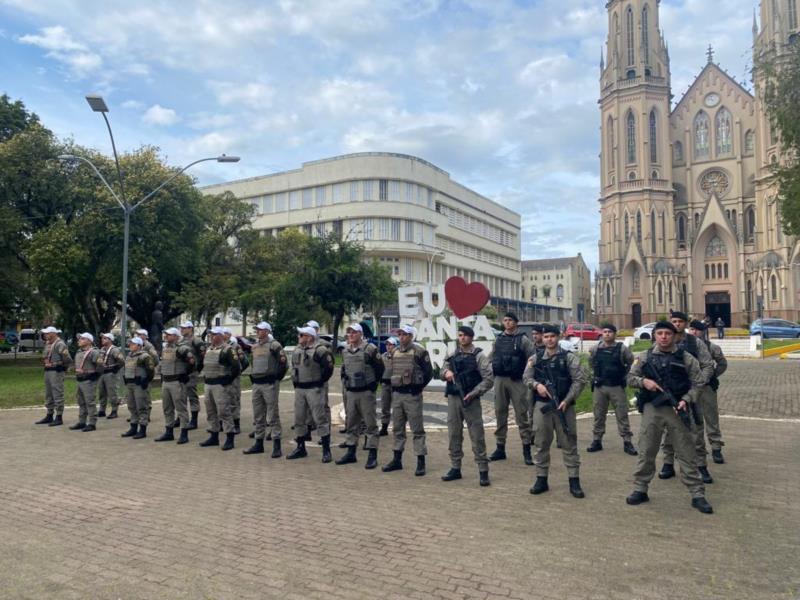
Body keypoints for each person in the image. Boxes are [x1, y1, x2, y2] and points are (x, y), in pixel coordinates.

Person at [625, 321, 713, 514]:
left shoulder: (686, 357)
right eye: (660, 333)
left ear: (674, 336)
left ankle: (697, 494)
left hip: (678, 409)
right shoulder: (644, 357)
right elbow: (630, 378)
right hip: (653, 410)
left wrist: (686, 399)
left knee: (687, 452)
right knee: (647, 450)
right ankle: (640, 488)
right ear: (654, 336)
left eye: (667, 333)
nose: (663, 337)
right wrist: (644, 382)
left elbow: (699, 383)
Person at [523, 324, 588, 498]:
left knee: (569, 443)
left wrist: (567, 400)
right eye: (546, 337)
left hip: (564, 407)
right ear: (542, 339)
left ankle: (574, 481)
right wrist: (537, 386)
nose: (549, 340)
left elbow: (580, 380)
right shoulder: (535, 359)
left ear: (558, 337)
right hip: (542, 407)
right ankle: (541, 479)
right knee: (541, 443)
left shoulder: (569, 358)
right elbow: (526, 378)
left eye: (552, 336)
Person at [659, 310, 714, 481]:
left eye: (680, 322)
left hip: (691, 395)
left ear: (685, 324)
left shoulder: (695, 343)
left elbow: (707, 366)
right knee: (668, 431)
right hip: (670, 395)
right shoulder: (664, 342)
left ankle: (701, 466)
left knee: (696, 431)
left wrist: (699, 383)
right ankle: (668, 464)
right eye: (673, 321)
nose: (676, 324)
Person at [441, 325, 494, 487]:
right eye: (460, 335)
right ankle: (455, 467)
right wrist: (446, 373)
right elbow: (442, 370)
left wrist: (475, 392)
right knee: (454, 434)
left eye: (465, 335)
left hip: (471, 399)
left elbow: (488, 378)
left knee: (477, 435)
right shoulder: (452, 354)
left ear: (471, 337)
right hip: (454, 399)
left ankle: (483, 470)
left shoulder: (479, 356)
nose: (462, 338)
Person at [382, 325, 433, 476]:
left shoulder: (419, 351)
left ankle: (420, 462)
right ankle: (397, 460)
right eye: (400, 334)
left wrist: (418, 387)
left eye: (404, 334)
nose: (401, 337)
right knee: (398, 428)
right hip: (397, 395)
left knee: (417, 429)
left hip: (412, 395)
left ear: (411, 336)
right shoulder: (395, 351)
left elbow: (429, 372)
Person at [336, 323, 384, 469]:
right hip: (351, 392)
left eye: (354, 332)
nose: (351, 335)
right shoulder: (345, 351)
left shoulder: (370, 349)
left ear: (360, 334)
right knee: (351, 423)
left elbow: (380, 368)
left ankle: (372, 455)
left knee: (370, 424)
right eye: (349, 332)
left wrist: (372, 386)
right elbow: (344, 369)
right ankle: (351, 452)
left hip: (365, 392)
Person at [489, 312, 535, 465]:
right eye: (505, 320)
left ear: (516, 323)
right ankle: (500, 448)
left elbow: (533, 358)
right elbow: (491, 357)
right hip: (500, 380)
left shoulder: (523, 340)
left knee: (522, 414)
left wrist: (528, 376)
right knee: (500, 413)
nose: (507, 323)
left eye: (510, 320)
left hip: (517, 381)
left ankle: (526, 449)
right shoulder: (499, 340)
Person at [587, 323, 637, 456]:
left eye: (610, 332)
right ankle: (597, 440)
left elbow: (631, 363)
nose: (607, 334)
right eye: (604, 332)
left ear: (614, 334)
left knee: (622, 414)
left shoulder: (622, 349)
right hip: (600, 387)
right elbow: (591, 363)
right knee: (598, 415)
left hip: (616, 386)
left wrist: (624, 376)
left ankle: (627, 441)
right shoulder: (596, 348)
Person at [287, 326, 335, 462]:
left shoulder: (320, 350)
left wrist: (319, 381)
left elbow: (329, 368)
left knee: (320, 418)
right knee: (299, 418)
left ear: (310, 337)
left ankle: (326, 450)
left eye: (302, 335)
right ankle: (301, 448)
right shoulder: (298, 350)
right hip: (300, 389)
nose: (299, 337)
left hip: (314, 388)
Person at [243, 322, 287, 458]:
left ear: (267, 331)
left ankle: (277, 445)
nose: (258, 332)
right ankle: (258, 443)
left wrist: (276, 378)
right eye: (257, 329)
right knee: (258, 415)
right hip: (257, 384)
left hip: (269, 384)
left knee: (273, 415)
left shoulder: (274, 345)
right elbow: (253, 364)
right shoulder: (255, 346)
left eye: (261, 330)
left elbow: (283, 364)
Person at [688, 320, 728, 468]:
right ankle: (698, 450)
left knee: (711, 418)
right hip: (691, 389)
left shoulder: (712, 347)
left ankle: (716, 448)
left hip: (706, 389)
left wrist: (713, 376)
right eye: (691, 329)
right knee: (694, 421)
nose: (693, 333)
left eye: (696, 330)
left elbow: (722, 364)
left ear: (703, 331)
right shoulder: (685, 347)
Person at [198, 326, 240, 451]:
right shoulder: (209, 349)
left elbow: (236, 367)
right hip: (208, 384)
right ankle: (214, 436)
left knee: (224, 412)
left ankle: (229, 438)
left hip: (220, 385)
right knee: (211, 411)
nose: (212, 337)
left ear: (221, 336)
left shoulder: (228, 350)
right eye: (211, 335)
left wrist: (228, 380)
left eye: (215, 335)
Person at [156, 327, 195, 444]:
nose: (166, 336)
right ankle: (169, 432)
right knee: (167, 408)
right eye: (166, 334)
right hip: (166, 381)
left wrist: (185, 374)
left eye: (169, 335)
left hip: (177, 381)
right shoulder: (165, 349)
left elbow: (192, 362)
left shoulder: (182, 349)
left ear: (176, 336)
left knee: (181, 408)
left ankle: (184, 433)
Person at [36, 326, 73, 427]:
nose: (45, 335)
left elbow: (67, 358)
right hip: (48, 370)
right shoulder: (48, 344)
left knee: (57, 393)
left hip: (56, 371)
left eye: (47, 333)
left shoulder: (60, 344)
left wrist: (62, 367)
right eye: (45, 333)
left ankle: (59, 416)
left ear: (53, 333)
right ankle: (49, 414)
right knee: (49, 393)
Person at [121, 336, 156, 440]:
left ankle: (142, 429)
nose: (130, 345)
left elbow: (151, 369)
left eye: (133, 344)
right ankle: (133, 427)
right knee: (131, 406)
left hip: (139, 384)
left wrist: (146, 380)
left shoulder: (144, 356)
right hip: (130, 384)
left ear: (140, 346)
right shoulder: (129, 356)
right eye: (130, 343)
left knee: (141, 406)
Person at [71, 332, 101, 432]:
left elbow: (100, 366)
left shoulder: (94, 352)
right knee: (81, 401)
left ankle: (92, 423)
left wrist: (94, 376)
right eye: (79, 339)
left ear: (89, 341)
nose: (79, 340)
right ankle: (82, 421)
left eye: (82, 339)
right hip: (80, 380)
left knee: (90, 402)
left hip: (89, 380)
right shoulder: (79, 352)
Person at [180, 321, 205, 430]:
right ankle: (180, 418)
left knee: (192, 395)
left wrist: (197, 369)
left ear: (190, 328)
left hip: (191, 372)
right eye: (182, 328)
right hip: (181, 372)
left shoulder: (196, 340)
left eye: (185, 328)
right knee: (180, 396)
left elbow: (203, 356)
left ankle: (194, 420)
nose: (182, 329)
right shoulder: (181, 341)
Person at [223, 327, 248, 435]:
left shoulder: (235, 346)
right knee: (223, 401)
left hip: (233, 378)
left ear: (228, 335)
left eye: (224, 333)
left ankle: (236, 424)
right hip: (223, 378)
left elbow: (245, 362)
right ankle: (223, 423)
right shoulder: (218, 347)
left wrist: (238, 372)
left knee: (234, 400)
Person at [97, 332, 124, 419]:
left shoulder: (114, 350)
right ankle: (102, 410)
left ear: (110, 340)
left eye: (105, 338)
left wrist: (116, 368)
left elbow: (121, 360)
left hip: (111, 373)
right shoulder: (102, 349)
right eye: (102, 338)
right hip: (102, 373)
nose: (102, 340)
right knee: (102, 392)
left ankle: (114, 410)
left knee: (112, 392)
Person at [378, 337, 398, 437]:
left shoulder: (399, 356)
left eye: (391, 344)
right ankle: (384, 427)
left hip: (395, 385)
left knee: (397, 408)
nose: (388, 346)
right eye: (387, 344)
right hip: (385, 384)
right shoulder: (382, 356)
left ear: (395, 346)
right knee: (385, 407)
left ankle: (397, 428)